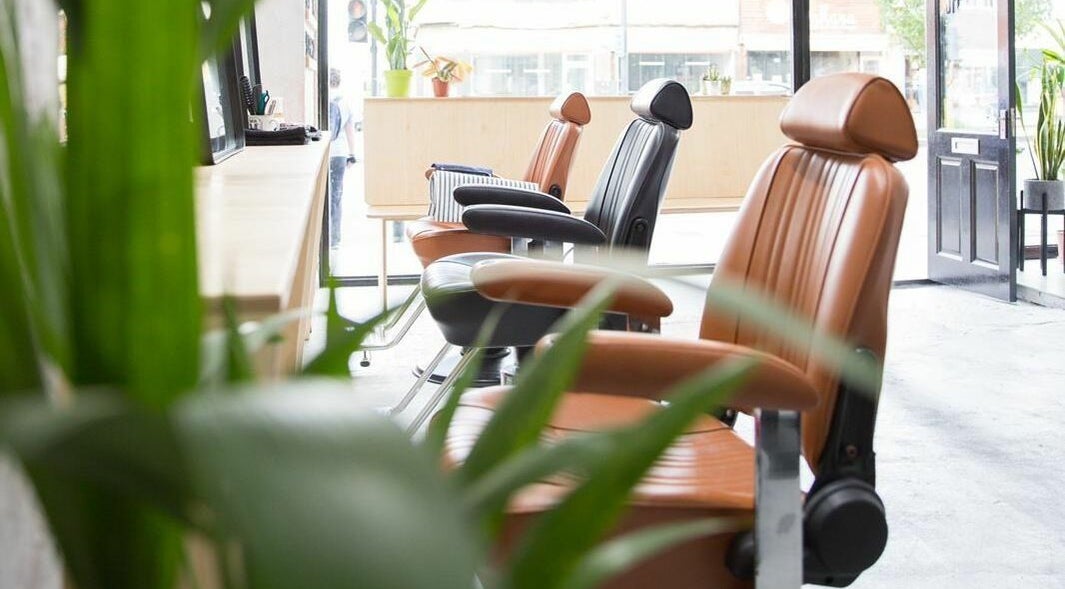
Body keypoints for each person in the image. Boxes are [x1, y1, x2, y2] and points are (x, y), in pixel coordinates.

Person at [328, 68, 358, 248]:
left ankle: (323, 237)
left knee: (322, 197)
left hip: (324, 153)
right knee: (336, 195)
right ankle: (335, 239)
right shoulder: (345, 102)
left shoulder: (320, 98)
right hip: (339, 153)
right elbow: (350, 131)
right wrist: (351, 154)